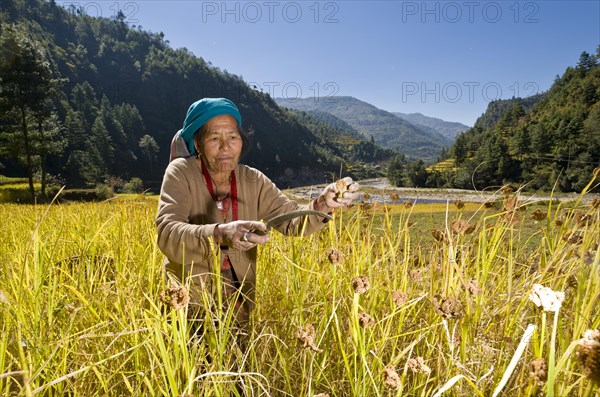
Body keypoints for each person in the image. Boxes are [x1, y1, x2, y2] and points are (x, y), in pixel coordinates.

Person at [156, 97, 359, 327]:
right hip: (187, 300)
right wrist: (221, 233)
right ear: (198, 143)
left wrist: (323, 203)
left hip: (239, 300)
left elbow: (290, 219)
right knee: (190, 361)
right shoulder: (181, 172)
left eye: (233, 137)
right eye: (214, 138)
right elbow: (167, 232)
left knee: (238, 359)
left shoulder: (252, 179)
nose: (226, 146)